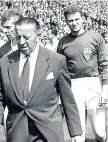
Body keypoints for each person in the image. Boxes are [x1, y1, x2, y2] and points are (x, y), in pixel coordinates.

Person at [0, 17, 83, 142]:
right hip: (17, 131)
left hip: (48, 130)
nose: (21, 42)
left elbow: (67, 98)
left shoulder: (56, 61)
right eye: (18, 37)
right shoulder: (3, 63)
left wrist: (75, 132)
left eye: (26, 37)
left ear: (38, 35)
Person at [57, 5, 107, 142]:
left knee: (100, 133)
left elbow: (104, 64)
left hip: (94, 83)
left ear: (83, 19)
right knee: (78, 136)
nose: (74, 23)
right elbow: (60, 71)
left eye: (77, 19)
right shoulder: (62, 42)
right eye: (70, 20)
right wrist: (61, 96)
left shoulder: (96, 37)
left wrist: (105, 89)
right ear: (66, 22)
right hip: (74, 86)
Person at [0, 8, 23, 135]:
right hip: (11, 104)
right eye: (3, 27)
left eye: (8, 27)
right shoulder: (3, 50)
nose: (4, 31)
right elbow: (1, 81)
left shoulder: (32, 45)